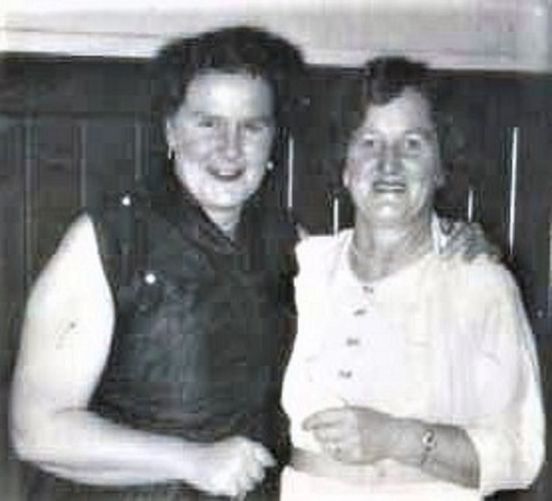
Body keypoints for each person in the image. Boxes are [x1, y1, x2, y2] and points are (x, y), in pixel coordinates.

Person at [10, 28, 491, 500]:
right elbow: (36, 431)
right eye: (208, 123)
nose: (230, 148)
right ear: (171, 130)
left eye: (252, 127)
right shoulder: (104, 240)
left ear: (272, 140)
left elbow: (379, 299)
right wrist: (192, 461)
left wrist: (451, 249)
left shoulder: (294, 245)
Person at [281, 57, 544, 501]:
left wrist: (399, 438)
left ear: (441, 168)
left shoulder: (482, 284)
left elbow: (521, 453)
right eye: (368, 142)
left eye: (412, 144)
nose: (389, 164)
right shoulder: (304, 266)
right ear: (344, 165)